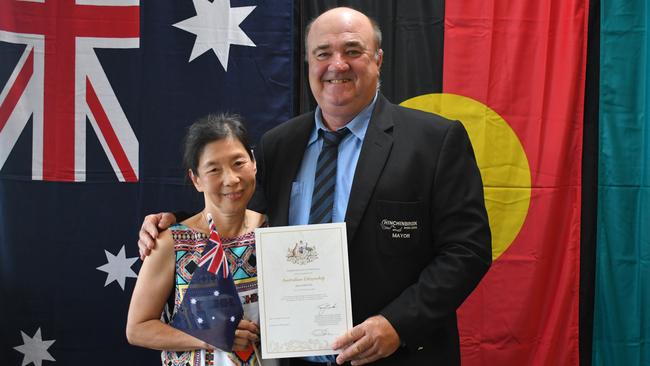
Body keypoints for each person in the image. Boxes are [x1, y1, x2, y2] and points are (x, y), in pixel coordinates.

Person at [139, 7, 491, 366]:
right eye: (323, 53)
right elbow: (241, 222)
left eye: (353, 51)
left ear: (379, 60)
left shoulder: (434, 140)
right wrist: (176, 223)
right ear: (308, 63)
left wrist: (397, 324)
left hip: (398, 356)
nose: (337, 64)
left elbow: (467, 250)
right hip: (295, 358)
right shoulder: (280, 144)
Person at [127, 114, 278, 366]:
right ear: (196, 179)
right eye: (214, 169)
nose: (231, 179)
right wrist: (209, 336)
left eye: (238, 163)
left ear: (253, 163)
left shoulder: (274, 232)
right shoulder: (172, 242)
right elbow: (138, 328)